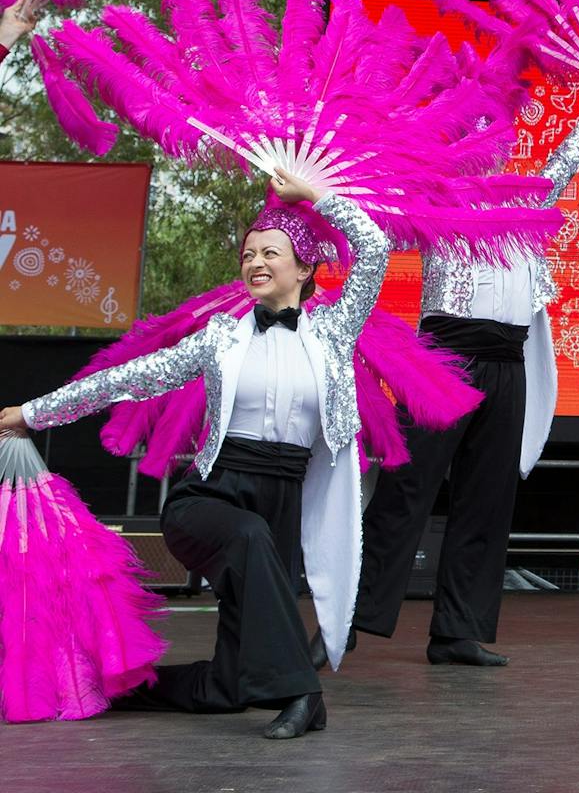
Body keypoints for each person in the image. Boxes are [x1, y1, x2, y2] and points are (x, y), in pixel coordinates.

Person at [0, 169, 388, 739]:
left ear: (304, 269)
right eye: (248, 253)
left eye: (270, 253)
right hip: (211, 497)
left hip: (283, 499)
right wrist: (33, 413)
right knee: (248, 536)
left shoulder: (333, 332)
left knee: (230, 685)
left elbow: (375, 247)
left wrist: (316, 198)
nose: (254, 261)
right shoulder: (220, 338)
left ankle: (115, 686)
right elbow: (131, 377)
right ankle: (307, 695)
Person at [350, 63, 579, 666]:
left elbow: (570, 153)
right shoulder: (433, 200)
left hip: (507, 360)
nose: (492, 148)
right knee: (405, 489)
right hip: (444, 357)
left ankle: (456, 631)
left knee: (486, 498)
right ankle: (352, 618)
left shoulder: (529, 199)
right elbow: (370, 214)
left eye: (499, 138)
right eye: (477, 136)